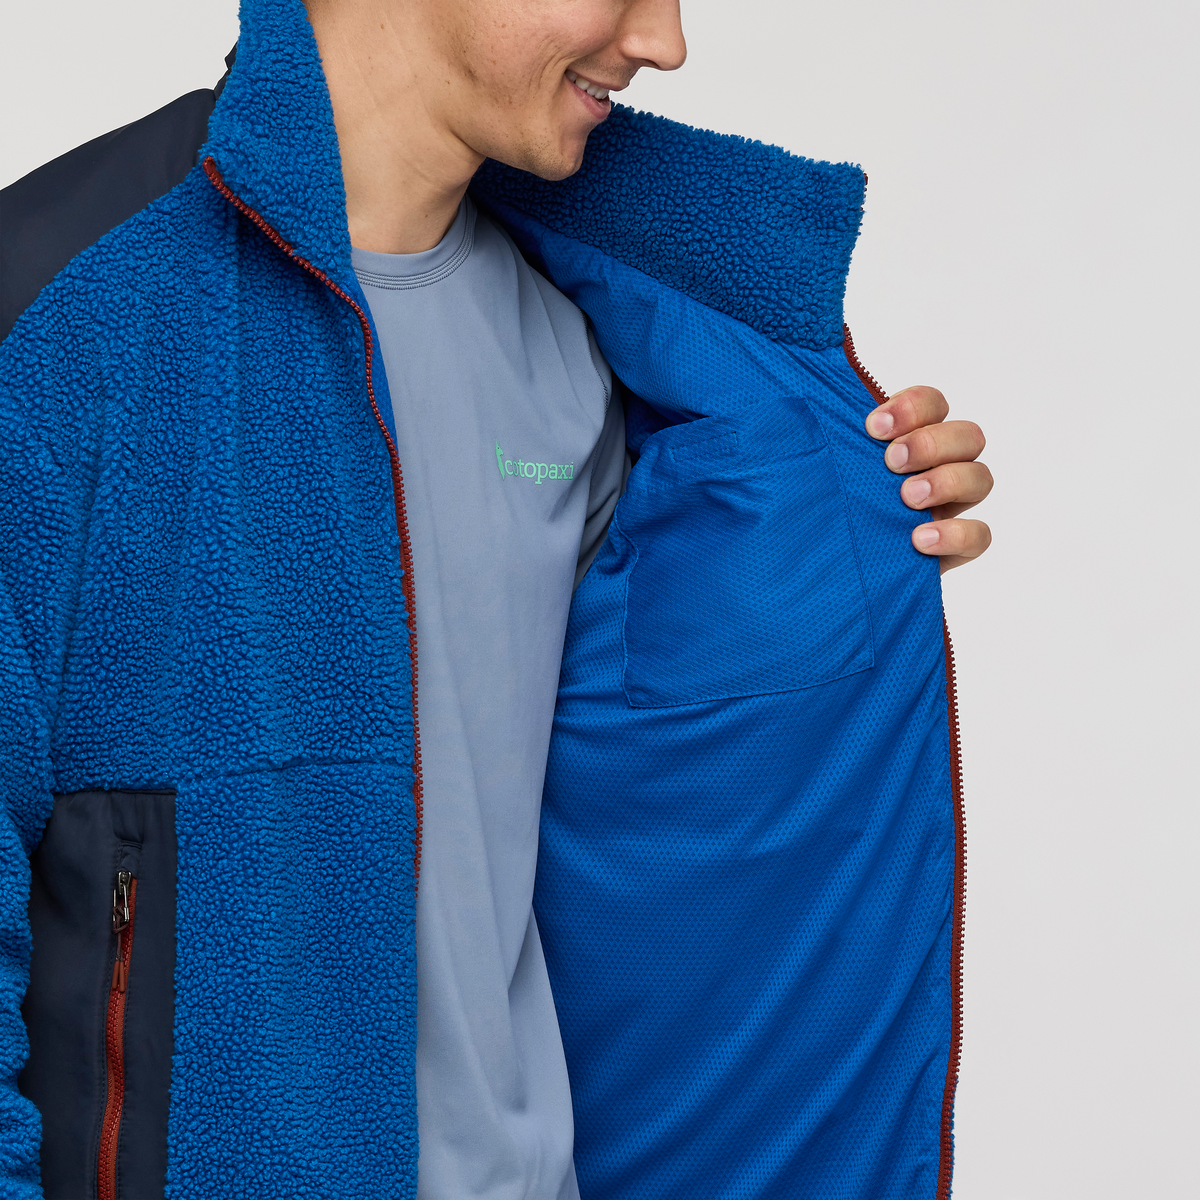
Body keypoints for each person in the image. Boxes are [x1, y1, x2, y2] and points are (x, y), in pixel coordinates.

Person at [0, 1, 993, 1197]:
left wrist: (835, 534)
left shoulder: (603, 350)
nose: (665, 41)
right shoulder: (61, 319)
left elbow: (639, 838)